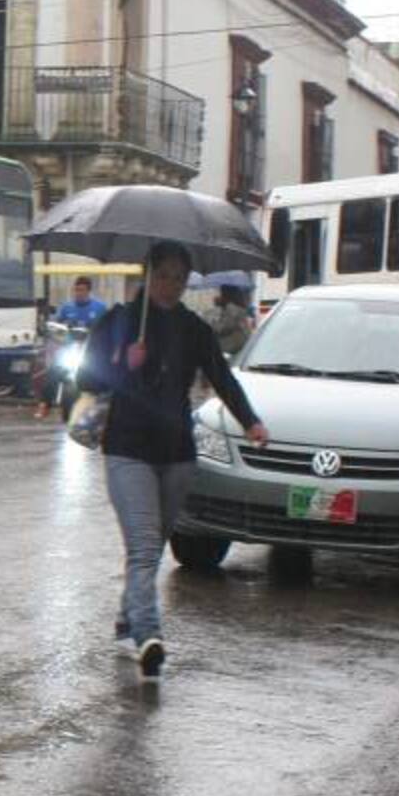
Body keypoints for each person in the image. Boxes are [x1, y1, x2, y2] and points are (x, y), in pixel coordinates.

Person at [77, 242, 268, 683]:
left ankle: (128, 617)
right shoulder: (118, 322)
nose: (171, 285)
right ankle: (148, 636)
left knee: (152, 545)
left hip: (178, 454)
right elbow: (85, 378)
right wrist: (121, 361)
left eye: (179, 278)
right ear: (148, 274)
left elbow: (221, 379)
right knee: (145, 546)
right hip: (127, 450)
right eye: (163, 274)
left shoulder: (193, 328)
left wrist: (251, 422)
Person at [35, 275, 107, 419]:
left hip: (89, 350)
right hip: (69, 348)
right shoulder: (67, 307)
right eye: (76, 290)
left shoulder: (100, 308)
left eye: (82, 290)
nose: (79, 293)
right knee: (53, 372)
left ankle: (102, 408)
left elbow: (107, 327)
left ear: (88, 291)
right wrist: (52, 330)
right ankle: (44, 405)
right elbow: (57, 324)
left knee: (103, 373)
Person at [204, 284, 252, 356]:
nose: (219, 296)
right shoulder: (236, 307)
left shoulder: (232, 308)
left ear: (226, 295)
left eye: (220, 293)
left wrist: (212, 324)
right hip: (239, 346)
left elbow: (223, 328)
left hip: (233, 348)